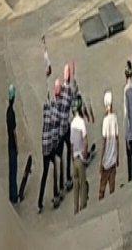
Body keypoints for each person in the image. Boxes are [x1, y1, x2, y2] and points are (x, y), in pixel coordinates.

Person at [37, 89, 60, 213]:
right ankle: (55, 194)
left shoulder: (46, 111)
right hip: (50, 147)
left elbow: (46, 103)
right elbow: (55, 131)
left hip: (44, 146)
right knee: (55, 165)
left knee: (45, 174)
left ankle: (39, 202)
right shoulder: (52, 116)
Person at [70, 95, 90, 213]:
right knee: (83, 185)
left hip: (74, 158)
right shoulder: (81, 122)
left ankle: (75, 208)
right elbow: (85, 140)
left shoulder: (72, 124)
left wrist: (73, 157)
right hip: (81, 158)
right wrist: (85, 155)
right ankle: (83, 208)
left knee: (76, 185)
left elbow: (72, 143)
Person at [99, 90, 119, 200]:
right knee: (112, 189)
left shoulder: (105, 121)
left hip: (106, 161)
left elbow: (104, 142)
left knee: (101, 190)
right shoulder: (115, 118)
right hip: (113, 160)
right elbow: (117, 138)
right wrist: (117, 156)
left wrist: (101, 162)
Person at [59, 64, 75, 192]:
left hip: (59, 128)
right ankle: (69, 175)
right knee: (69, 148)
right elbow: (73, 103)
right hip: (65, 126)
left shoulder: (62, 90)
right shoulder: (69, 91)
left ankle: (60, 183)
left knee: (60, 155)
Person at [7, 84, 19, 204]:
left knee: (11, 170)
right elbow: (14, 132)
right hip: (12, 145)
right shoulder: (12, 114)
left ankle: (11, 193)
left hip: (8, 144)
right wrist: (17, 146)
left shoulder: (7, 112)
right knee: (14, 170)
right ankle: (14, 195)